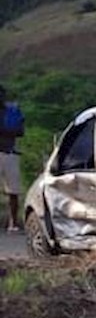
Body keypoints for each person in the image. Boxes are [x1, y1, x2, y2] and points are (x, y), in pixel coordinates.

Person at [0, 84, 24, 232]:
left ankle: (13, 223)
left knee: (13, 191)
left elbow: (20, 131)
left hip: (9, 152)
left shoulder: (12, 111)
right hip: (8, 152)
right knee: (12, 191)